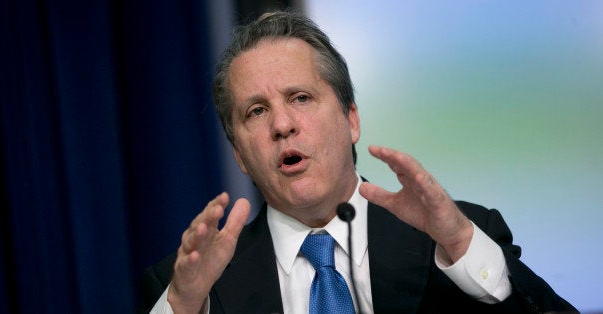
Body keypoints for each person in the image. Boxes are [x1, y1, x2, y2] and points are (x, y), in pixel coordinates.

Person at [139, 11, 576, 314]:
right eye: (256, 111)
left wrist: (461, 242)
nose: (282, 125)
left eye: (301, 98)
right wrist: (183, 303)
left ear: (351, 119)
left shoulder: (448, 240)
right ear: (239, 154)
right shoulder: (192, 289)